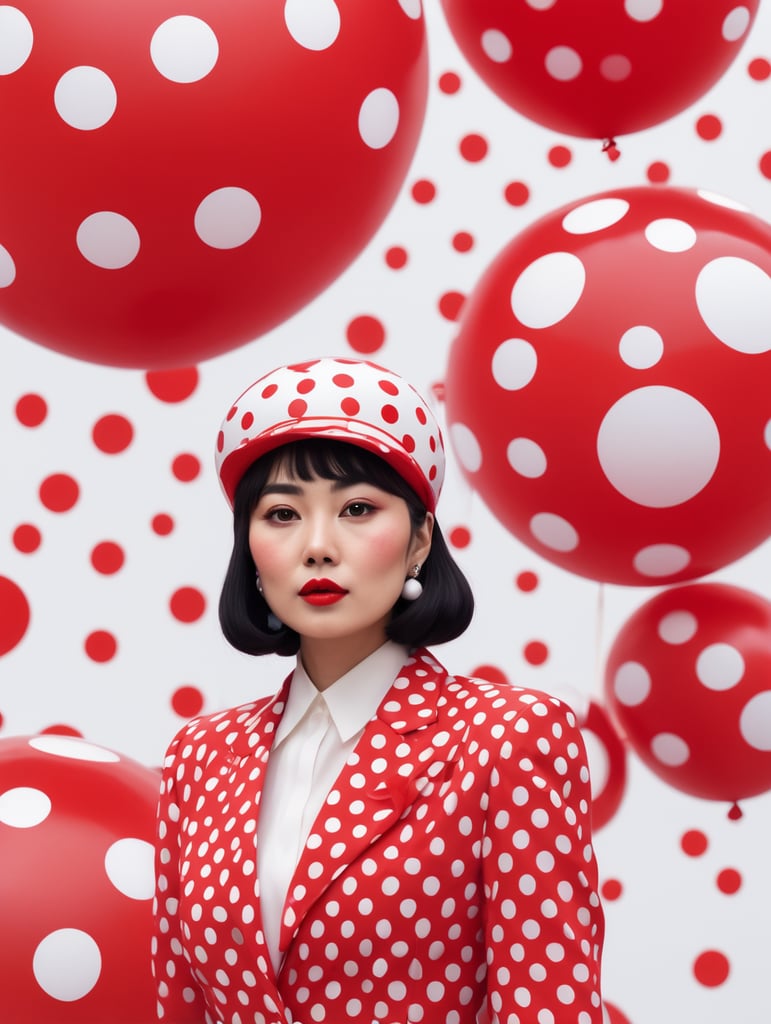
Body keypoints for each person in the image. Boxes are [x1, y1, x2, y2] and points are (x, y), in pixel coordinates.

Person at [151, 356, 604, 1024]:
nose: (318, 546)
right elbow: (179, 1006)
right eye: (281, 514)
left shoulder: (508, 738)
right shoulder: (198, 758)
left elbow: (549, 1008)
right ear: (249, 551)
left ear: (419, 539)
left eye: (357, 508)